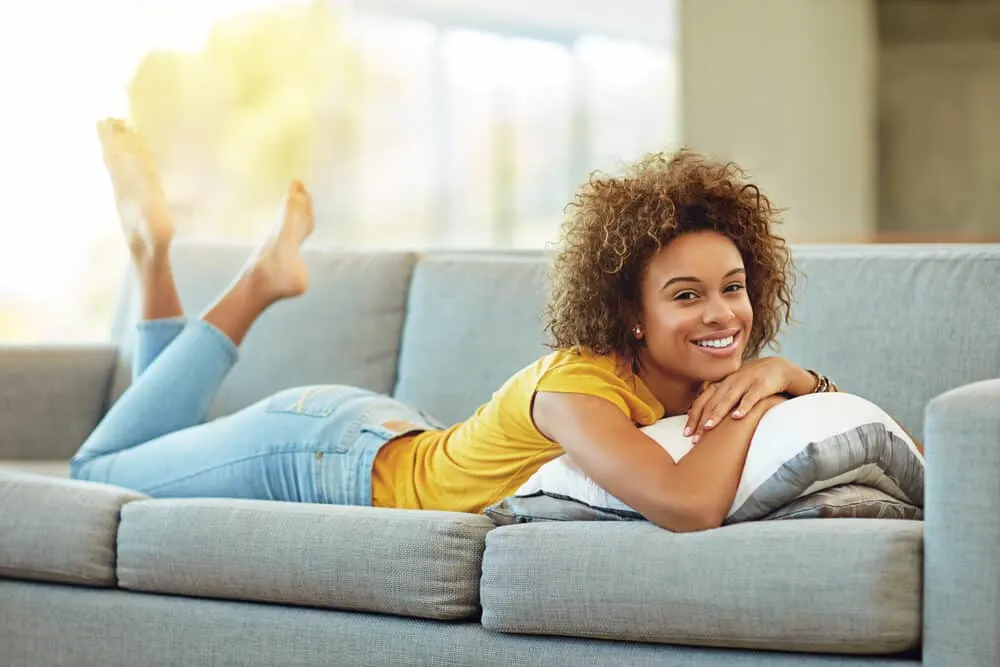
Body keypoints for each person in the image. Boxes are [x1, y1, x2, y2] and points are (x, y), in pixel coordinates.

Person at [70, 118, 839, 533]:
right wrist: (767, 394)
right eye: (686, 295)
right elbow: (685, 503)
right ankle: (253, 280)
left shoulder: (699, 370)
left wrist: (788, 373)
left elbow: (883, 442)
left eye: (733, 288)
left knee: (138, 453)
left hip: (386, 432)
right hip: (314, 454)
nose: (722, 315)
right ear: (629, 314)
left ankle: (150, 251)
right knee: (97, 474)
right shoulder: (578, 387)